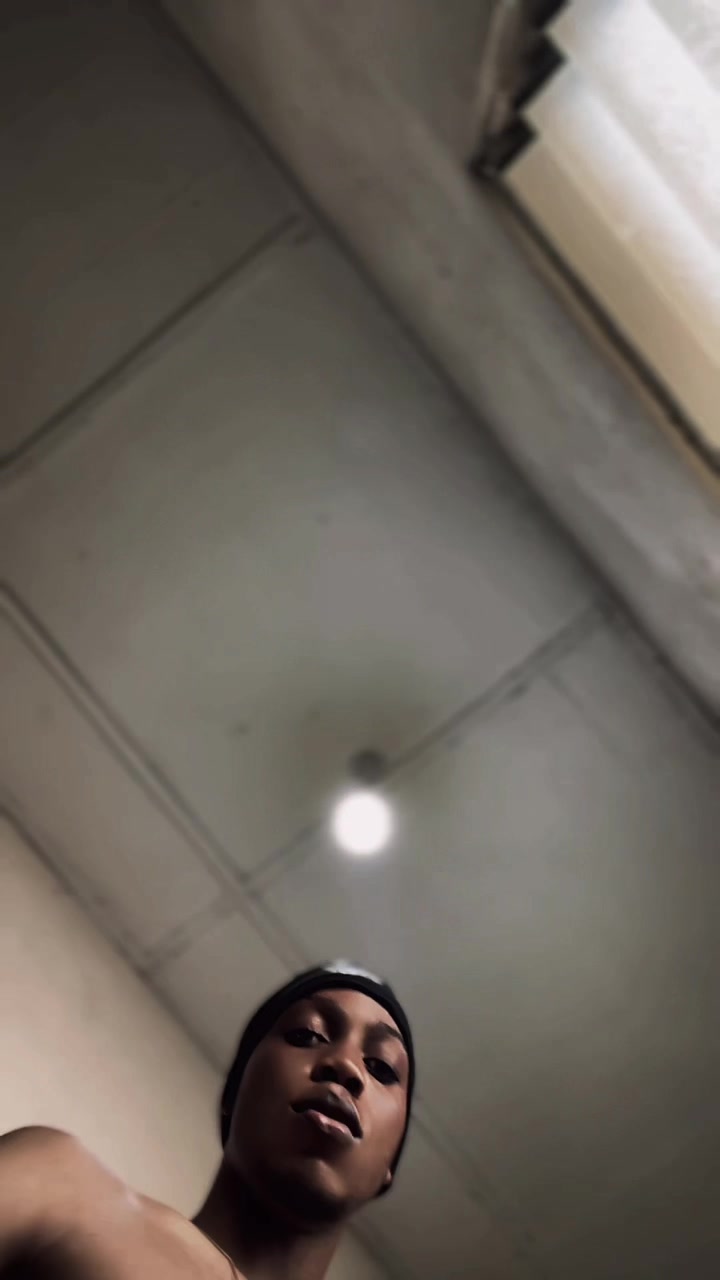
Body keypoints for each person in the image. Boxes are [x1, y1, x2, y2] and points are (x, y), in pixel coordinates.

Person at [0, 962, 415, 1278]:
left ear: (391, 1164)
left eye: (381, 1067)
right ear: (233, 1094)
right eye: (308, 1034)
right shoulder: (64, 1193)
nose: (346, 1065)